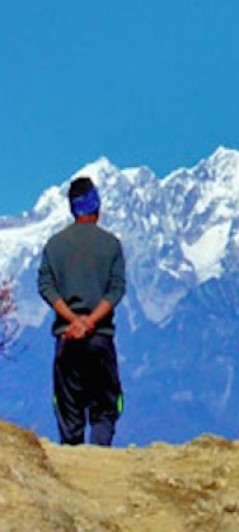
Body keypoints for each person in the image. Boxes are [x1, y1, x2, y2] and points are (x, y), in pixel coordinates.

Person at [37, 177, 126, 446]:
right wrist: (90, 321)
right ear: (96, 206)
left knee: (69, 410)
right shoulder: (111, 245)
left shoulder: (55, 245)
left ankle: (72, 473)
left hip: (67, 339)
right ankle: (100, 467)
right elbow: (116, 290)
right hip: (100, 340)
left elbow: (46, 286)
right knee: (104, 408)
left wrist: (74, 321)